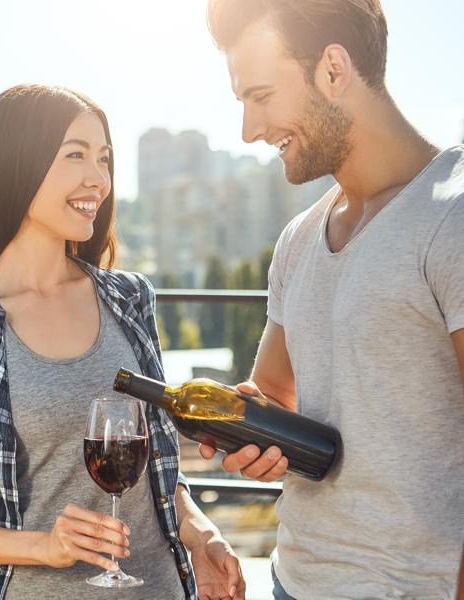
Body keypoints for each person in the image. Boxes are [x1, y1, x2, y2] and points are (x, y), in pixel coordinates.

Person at [0, 84, 245, 600]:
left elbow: (160, 468)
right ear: (20, 163)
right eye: (76, 155)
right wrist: (45, 546)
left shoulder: (130, 299)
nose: (98, 178)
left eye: (104, 158)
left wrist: (202, 536)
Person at [203, 1, 464, 598]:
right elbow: (275, 392)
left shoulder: (453, 217)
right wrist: (255, 427)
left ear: (334, 69)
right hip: (294, 580)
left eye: (261, 95)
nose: (249, 129)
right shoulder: (298, 240)